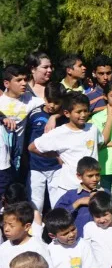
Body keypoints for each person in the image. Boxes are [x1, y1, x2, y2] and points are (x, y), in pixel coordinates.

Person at [29, 92, 103, 206]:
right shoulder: (59, 133)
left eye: (85, 110)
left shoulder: (93, 128)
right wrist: (56, 156)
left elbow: (101, 143)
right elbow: (32, 147)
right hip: (70, 187)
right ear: (67, 113)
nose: (83, 115)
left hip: (92, 188)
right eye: (78, 112)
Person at [24, 82, 66, 212]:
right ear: (44, 98)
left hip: (57, 167)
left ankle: (58, 225)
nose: (52, 105)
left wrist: (55, 117)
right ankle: (36, 226)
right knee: (36, 205)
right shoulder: (34, 114)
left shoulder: (66, 116)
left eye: (56, 102)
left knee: (58, 204)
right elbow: (25, 139)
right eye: (49, 101)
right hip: (36, 166)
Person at [1, 64, 44, 175]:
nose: (24, 83)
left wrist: (54, 117)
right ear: (7, 83)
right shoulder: (1, 102)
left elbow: (53, 104)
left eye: (25, 79)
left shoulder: (31, 100)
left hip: (18, 157)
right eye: (19, 80)